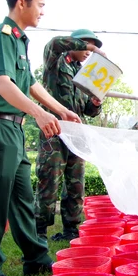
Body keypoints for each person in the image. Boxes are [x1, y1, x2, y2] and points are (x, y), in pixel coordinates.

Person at [0, 0, 82, 276]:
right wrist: (40, 113)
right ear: (22, 3)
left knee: (21, 199)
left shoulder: (19, 40)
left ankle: (35, 257)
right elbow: (3, 85)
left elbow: (30, 84)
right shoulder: (0, 38)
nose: (43, 12)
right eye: (41, 5)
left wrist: (59, 109)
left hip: (13, 129)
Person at [36, 29, 106, 242]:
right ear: (75, 44)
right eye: (86, 45)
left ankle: (71, 230)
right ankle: (38, 233)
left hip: (76, 135)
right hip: (53, 131)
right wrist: (90, 47)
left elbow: (86, 109)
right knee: (49, 182)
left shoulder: (81, 73)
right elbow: (55, 42)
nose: (88, 51)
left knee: (76, 184)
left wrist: (95, 103)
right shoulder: (55, 61)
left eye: (92, 46)